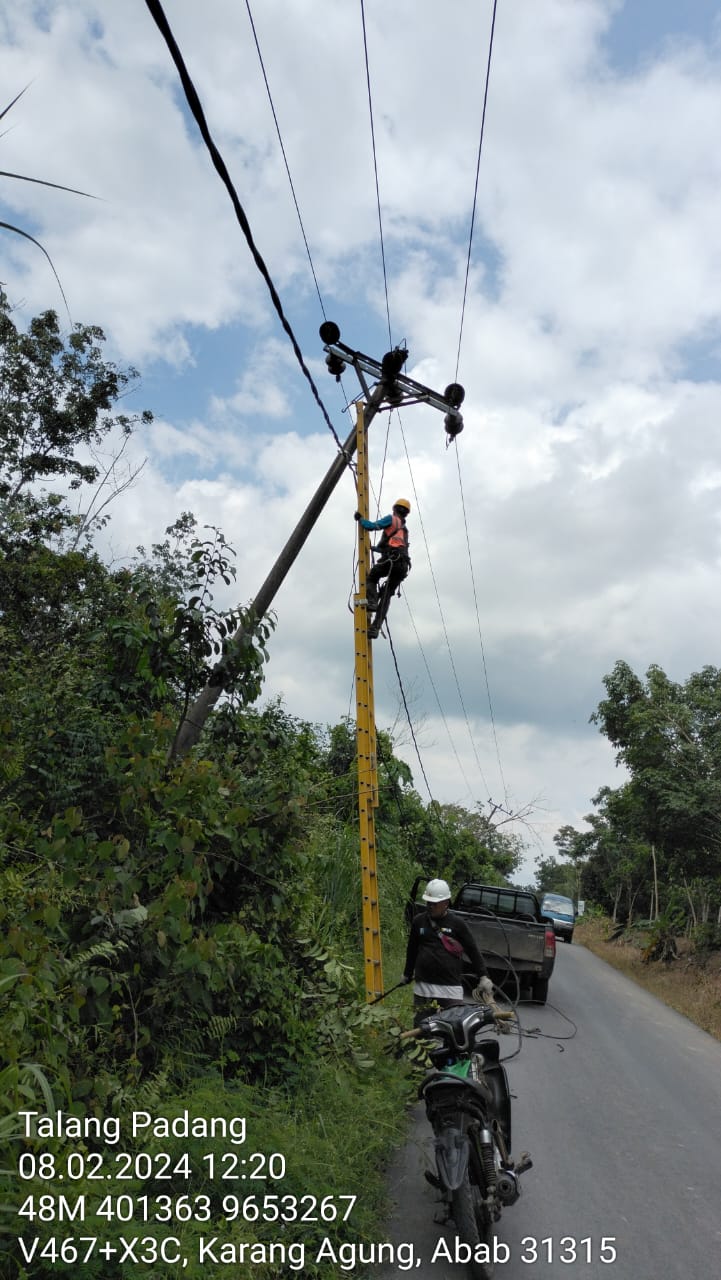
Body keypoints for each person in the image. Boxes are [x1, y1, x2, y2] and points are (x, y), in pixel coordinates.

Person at [402, 878, 493, 1022]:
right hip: (423, 989)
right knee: (422, 1032)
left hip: (450, 990)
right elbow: (412, 949)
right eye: (428, 902)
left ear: (446, 903)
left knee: (454, 1032)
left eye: (434, 903)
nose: (430, 906)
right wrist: (407, 973)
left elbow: (472, 950)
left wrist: (483, 976)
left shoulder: (458, 924)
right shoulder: (418, 921)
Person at [354, 498, 411, 638]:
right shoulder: (404, 530)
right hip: (402, 566)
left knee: (372, 577)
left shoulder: (391, 519)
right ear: (406, 514)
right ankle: (375, 629)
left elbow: (372, 526)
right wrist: (374, 549)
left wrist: (360, 519)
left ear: (395, 509)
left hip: (392, 560)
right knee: (386, 597)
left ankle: (372, 602)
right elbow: (391, 546)